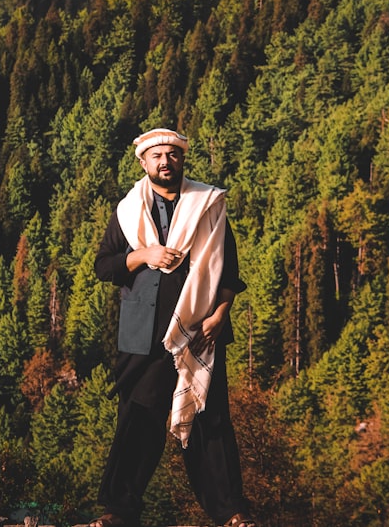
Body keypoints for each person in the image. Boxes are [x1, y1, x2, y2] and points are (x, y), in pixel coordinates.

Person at [90, 128, 256, 527]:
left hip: (200, 331)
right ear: (144, 163)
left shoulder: (208, 205)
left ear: (182, 159)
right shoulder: (128, 211)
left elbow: (229, 272)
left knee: (209, 420)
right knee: (136, 420)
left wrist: (220, 314)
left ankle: (230, 512)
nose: (166, 162)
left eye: (172, 155)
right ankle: (119, 512)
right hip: (142, 335)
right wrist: (142, 255)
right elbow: (104, 266)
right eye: (157, 156)